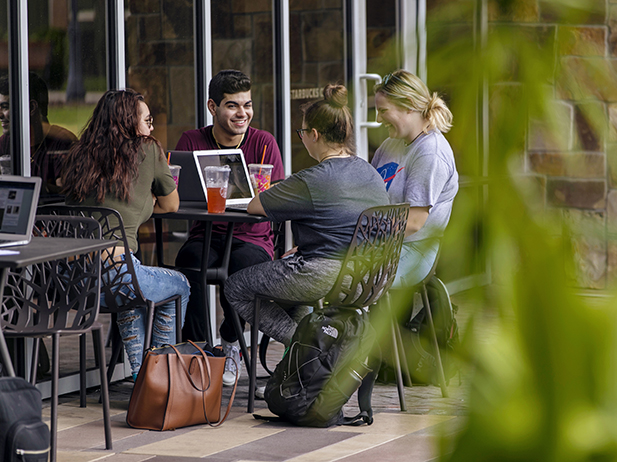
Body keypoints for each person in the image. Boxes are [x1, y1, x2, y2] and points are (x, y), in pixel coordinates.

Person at [225, 83, 389, 353]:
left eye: (302, 132)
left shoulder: (311, 179)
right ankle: (304, 370)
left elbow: (255, 206)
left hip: (324, 275)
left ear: (314, 134)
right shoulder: (368, 171)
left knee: (236, 287)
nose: (301, 137)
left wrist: (281, 189)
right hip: (369, 276)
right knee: (297, 285)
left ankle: (307, 349)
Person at [61, 89, 190, 378]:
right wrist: (146, 200)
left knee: (130, 300)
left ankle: (141, 378)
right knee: (179, 286)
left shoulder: (79, 154)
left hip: (75, 284)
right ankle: (162, 377)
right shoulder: (148, 149)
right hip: (116, 275)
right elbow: (172, 204)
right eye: (147, 119)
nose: (151, 126)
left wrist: (134, 203)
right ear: (130, 123)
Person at [174, 70, 284, 386]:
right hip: (206, 235)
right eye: (232, 106)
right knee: (188, 268)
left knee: (242, 273)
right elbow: (178, 195)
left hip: (252, 238)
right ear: (213, 107)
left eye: (247, 105)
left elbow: (276, 199)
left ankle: (230, 341)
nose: (242, 114)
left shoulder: (264, 143)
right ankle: (198, 351)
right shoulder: (191, 141)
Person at [371, 70, 458, 287]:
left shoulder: (431, 152)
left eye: (383, 111)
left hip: (413, 250)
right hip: (376, 244)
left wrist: (359, 237)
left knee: (344, 280)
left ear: (408, 105)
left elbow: (413, 223)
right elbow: (366, 195)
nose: (378, 119)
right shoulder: (390, 145)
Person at [0, 72, 77, 195]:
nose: (0, 115)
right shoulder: (5, 142)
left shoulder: (63, 144)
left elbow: (68, 196)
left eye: (5, 107)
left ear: (31, 108)